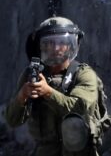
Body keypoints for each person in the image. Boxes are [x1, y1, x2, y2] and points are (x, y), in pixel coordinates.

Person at [4, 17, 103, 156]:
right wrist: (23, 95)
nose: (56, 48)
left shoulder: (84, 74)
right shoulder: (33, 74)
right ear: (41, 46)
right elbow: (12, 120)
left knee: (73, 123)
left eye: (62, 42)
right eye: (49, 43)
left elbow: (80, 107)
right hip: (46, 150)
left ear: (70, 45)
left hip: (80, 152)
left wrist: (48, 92)